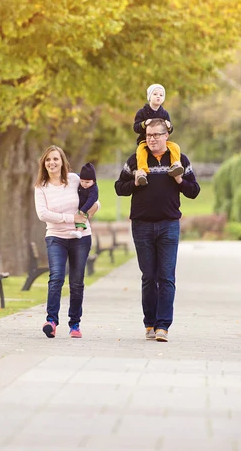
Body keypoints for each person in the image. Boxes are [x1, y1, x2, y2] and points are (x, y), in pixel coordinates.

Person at [115, 118, 200, 342]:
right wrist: (134, 181)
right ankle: (150, 323)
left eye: (156, 135)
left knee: (167, 277)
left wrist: (180, 179)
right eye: (148, 135)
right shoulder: (136, 160)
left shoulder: (179, 159)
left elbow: (194, 191)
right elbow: (118, 188)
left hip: (169, 225)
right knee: (149, 277)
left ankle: (163, 326)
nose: (151, 139)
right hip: (142, 225)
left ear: (166, 136)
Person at [34, 146, 99, 339]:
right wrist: (71, 218)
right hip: (56, 237)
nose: (52, 163)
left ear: (62, 161)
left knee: (77, 282)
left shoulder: (74, 179)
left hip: (81, 238)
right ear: (43, 164)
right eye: (48, 160)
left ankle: (75, 323)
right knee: (56, 278)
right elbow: (43, 214)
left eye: (55, 159)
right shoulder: (40, 187)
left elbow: (95, 198)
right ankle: (51, 321)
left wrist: (87, 214)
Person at [134, 84, 183, 186]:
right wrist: (144, 124)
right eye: (155, 94)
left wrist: (169, 127)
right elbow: (136, 127)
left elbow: (168, 131)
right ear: (149, 97)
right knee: (140, 151)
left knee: (175, 147)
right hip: (145, 140)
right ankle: (142, 172)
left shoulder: (165, 113)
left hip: (161, 142)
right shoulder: (142, 112)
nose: (158, 96)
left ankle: (175, 165)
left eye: (161, 95)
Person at [70, 162, 99, 239]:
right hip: (80, 205)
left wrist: (84, 209)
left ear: (94, 181)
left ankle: (79, 232)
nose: (84, 184)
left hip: (87, 207)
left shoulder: (93, 190)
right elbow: (76, 175)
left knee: (81, 218)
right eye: (82, 181)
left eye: (87, 182)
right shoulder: (81, 180)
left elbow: (91, 200)